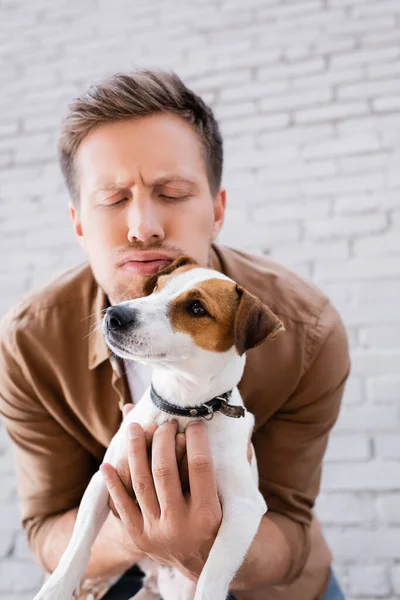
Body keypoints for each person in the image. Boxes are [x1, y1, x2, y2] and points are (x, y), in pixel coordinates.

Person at [0, 69, 349, 600]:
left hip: (261, 576)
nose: (143, 226)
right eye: (114, 199)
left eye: (172, 191)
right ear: (77, 222)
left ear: (217, 209)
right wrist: (140, 533)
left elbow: (290, 524)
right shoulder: (28, 345)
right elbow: (47, 526)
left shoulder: (308, 332)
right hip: (114, 566)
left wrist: (202, 545)